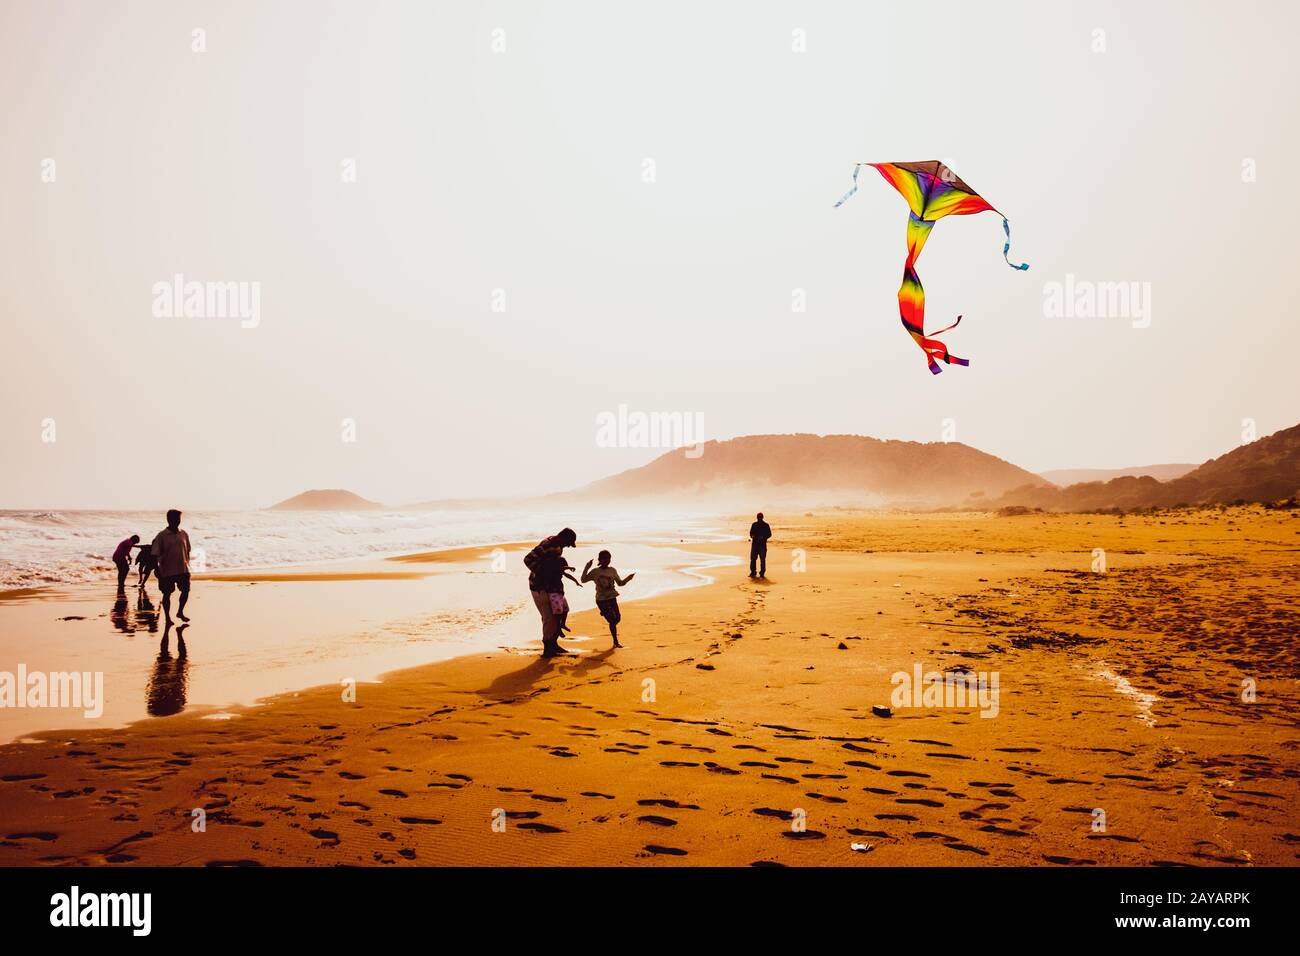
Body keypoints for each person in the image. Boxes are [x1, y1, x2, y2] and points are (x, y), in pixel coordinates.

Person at [523, 528, 578, 657]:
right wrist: (542, 573)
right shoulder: (548, 545)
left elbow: (552, 564)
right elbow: (527, 560)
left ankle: (553, 644)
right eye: (569, 543)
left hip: (551, 587)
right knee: (549, 618)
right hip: (539, 587)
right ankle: (548, 649)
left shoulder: (557, 545)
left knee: (559, 613)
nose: (569, 546)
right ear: (564, 538)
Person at [581, 550, 635, 648]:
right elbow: (583, 580)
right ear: (599, 560)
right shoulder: (595, 572)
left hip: (612, 597)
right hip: (601, 600)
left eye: (608, 558)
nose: (606, 560)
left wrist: (628, 578)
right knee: (612, 621)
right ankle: (615, 642)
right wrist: (587, 567)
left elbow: (620, 583)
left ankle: (604, 612)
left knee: (618, 618)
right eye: (604, 558)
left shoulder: (612, 570)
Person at [151, 509, 192, 624]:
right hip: (167, 570)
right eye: (175, 519)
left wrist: (187, 564)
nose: (177, 521)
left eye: (179, 519)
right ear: (169, 519)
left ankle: (180, 612)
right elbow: (154, 554)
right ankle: (167, 618)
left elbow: (187, 549)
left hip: (183, 570)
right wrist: (156, 568)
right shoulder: (162, 536)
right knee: (167, 594)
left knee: (186, 591)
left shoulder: (183, 534)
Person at [748, 512, 772, 578]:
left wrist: (763, 537)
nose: (759, 518)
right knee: (756, 559)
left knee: (759, 559)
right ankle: (756, 572)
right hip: (757, 544)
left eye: (760, 517)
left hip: (760, 545)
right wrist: (752, 536)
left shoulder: (765, 525)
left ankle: (759, 573)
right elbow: (750, 533)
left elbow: (769, 534)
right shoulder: (756, 524)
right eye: (759, 517)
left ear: (761, 517)